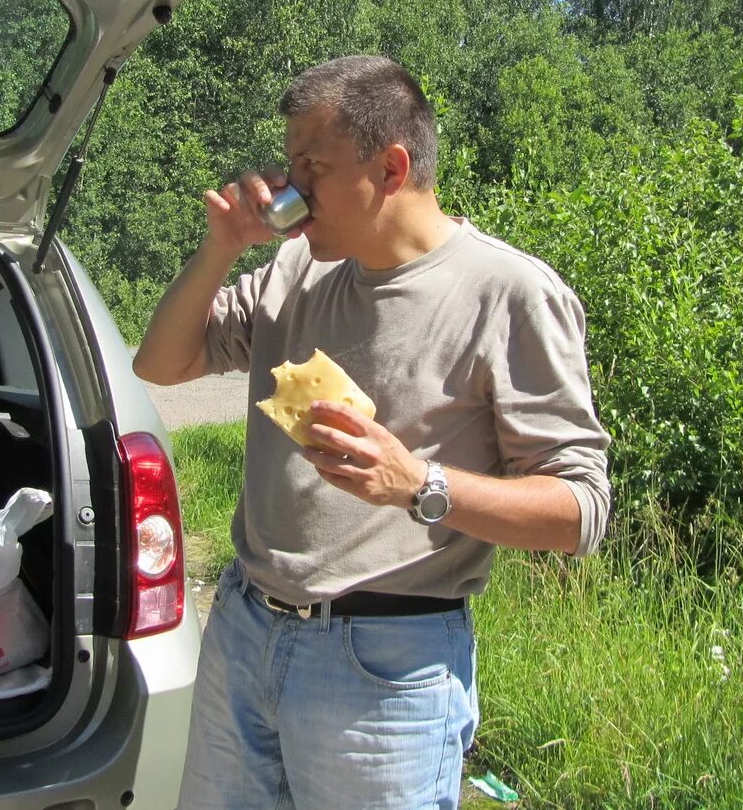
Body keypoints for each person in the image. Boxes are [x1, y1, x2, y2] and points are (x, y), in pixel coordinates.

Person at [134, 54, 611, 809]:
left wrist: (420, 484)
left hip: (385, 670)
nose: (288, 190)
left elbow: (581, 511)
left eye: (311, 166)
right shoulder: (295, 272)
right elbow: (161, 362)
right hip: (245, 632)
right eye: (288, 164)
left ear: (390, 168)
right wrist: (220, 247)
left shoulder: (509, 293)